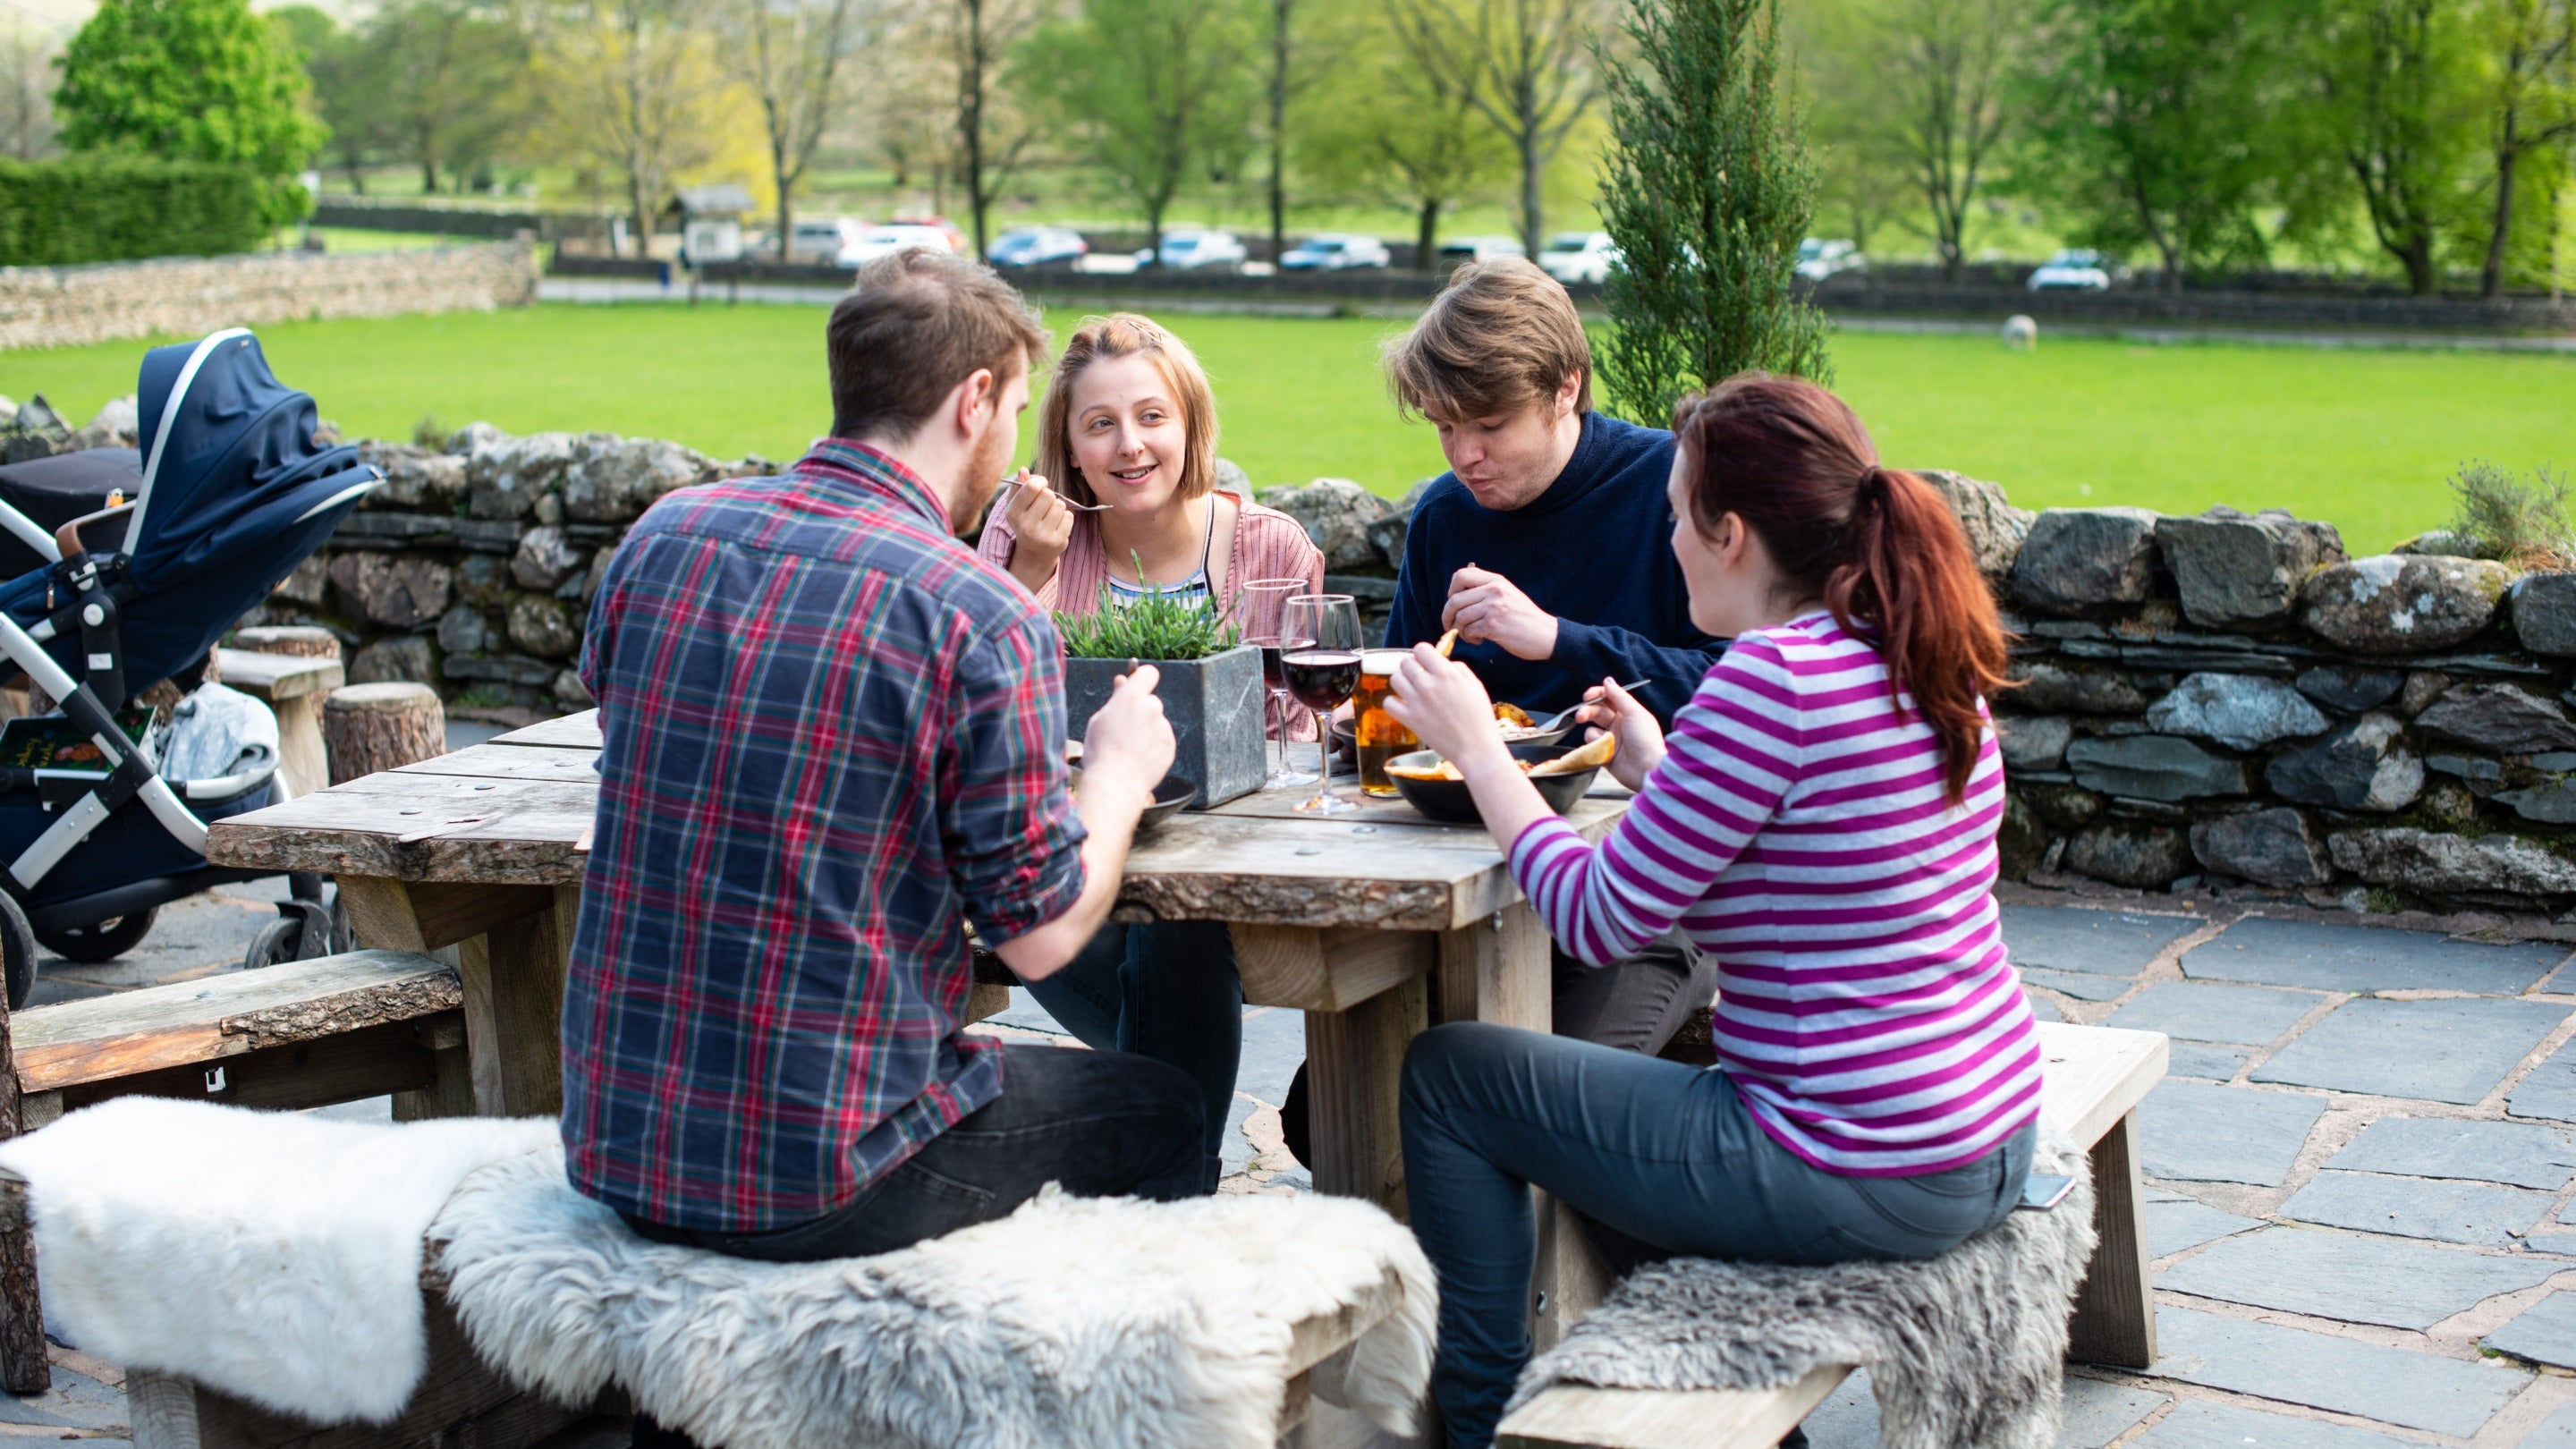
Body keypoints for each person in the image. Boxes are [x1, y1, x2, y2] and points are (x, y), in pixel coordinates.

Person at [562, 250, 1199, 1447]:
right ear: (974, 400)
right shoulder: (976, 613)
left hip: (614, 1140)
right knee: (1163, 1108)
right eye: (1017, 409)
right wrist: (1115, 778)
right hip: (817, 1173)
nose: (1015, 437)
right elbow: (1043, 929)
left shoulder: (664, 537)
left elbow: (648, 723)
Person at [1380, 373, 2042, 1449]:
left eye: (1680, 520)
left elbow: (1595, 920)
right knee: (1611, 1119)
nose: (1672, 543)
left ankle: (1479, 1418)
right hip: (1985, 1131)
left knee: (1453, 1073)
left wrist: (1478, 751)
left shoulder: (1770, 679)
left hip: (1859, 1167)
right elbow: (1817, 854)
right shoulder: (1912, 646)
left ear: (1731, 534)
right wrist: (1660, 765)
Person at [975, 313, 1326, 1191]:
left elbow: (1296, 737)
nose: (1129, 445)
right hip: (1062, 876)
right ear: (1068, 444)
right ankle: (1174, 1199)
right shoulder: (1024, 543)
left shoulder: (1268, 549)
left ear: (1190, 425)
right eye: (1100, 424)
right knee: (1156, 951)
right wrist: (1027, 577)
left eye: (1151, 417)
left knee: (1177, 930)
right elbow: (972, 708)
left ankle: (1159, 1191)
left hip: (1226, 881)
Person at [1382, 257, 1724, 731]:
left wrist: (1556, 638)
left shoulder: (1675, 485)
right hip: (1467, 792)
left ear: (1565, 389)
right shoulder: (1444, 513)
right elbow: (1402, 681)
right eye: (1444, 426)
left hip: (1647, 791)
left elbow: (1744, 689)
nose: (1464, 456)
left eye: (1490, 425)